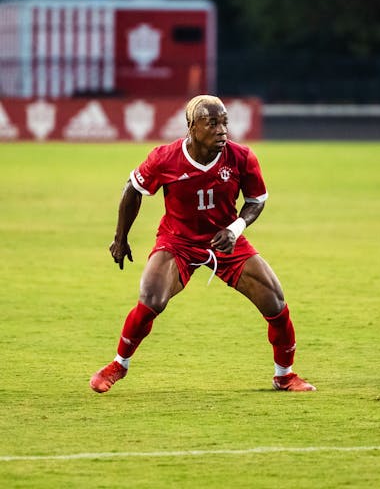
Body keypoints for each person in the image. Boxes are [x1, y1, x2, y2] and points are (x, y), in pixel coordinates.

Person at [90, 95, 316, 393]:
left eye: (225, 123)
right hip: (178, 241)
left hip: (225, 241)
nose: (222, 130)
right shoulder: (164, 158)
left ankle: (284, 376)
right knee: (151, 299)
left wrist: (235, 229)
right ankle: (118, 365)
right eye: (213, 123)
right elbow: (133, 189)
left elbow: (256, 201)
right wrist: (120, 239)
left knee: (275, 300)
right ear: (192, 127)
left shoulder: (241, 157)